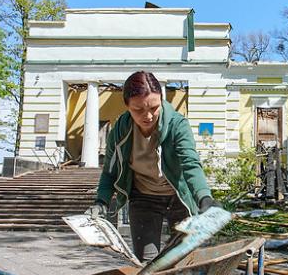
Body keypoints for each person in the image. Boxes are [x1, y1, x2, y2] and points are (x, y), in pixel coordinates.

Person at [87, 71, 216, 262]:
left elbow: (190, 163)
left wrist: (204, 197)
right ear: (127, 106)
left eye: (154, 108)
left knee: (183, 260)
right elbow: (109, 172)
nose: (148, 116)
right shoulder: (120, 130)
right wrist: (101, 202)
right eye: (138, 110)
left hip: (178, 197)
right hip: (143, 199)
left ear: (161, 101)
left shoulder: (177, 125)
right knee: (147, 262)